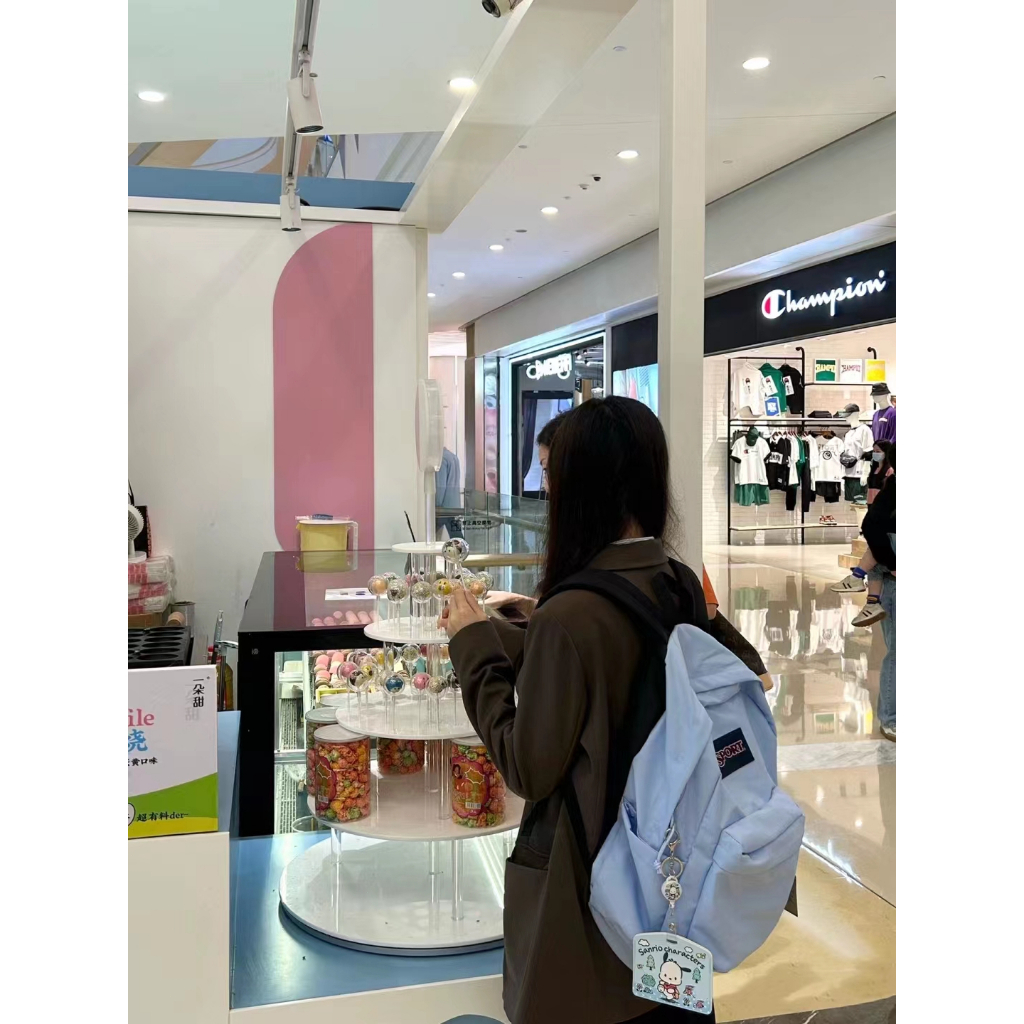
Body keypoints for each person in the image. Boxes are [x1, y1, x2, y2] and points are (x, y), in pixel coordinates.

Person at [441, 397, 759, 1024]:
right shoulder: (678, 581)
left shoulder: (570, 614)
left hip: (589, 882)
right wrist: (519, 629)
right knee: (661, 1002)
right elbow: (626, 669)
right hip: (671, 866)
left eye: (553, 477)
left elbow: (528, 768)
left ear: (581, 490)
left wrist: (473, 647)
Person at [830, 444, 895, 628]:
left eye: (879, 451)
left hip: (887, 529)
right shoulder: (884, 474)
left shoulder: (891, 477)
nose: (875, 454)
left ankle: (860, 580)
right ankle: (869, 597)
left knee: (877, 550)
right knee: (876, 549)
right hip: (880, 515)